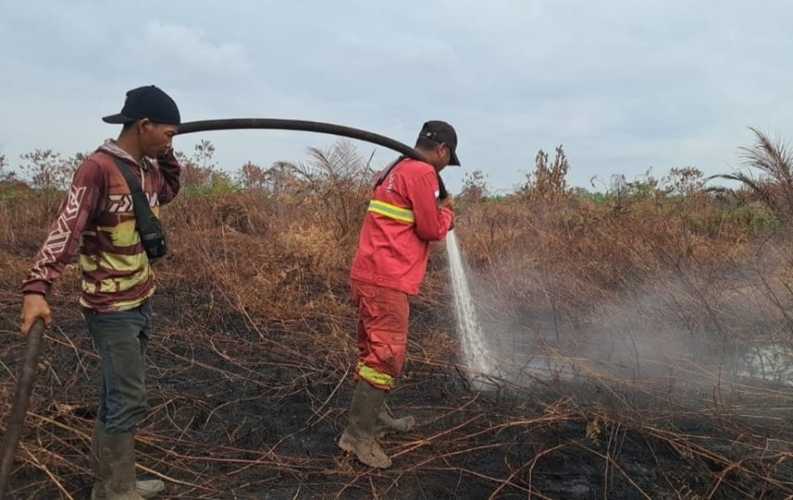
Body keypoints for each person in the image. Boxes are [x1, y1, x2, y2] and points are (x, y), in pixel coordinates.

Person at [19, 85, 183, 499]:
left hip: (140, 296)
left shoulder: (147, 168)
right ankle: (113, 490)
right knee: (128, 396)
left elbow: (169, 191)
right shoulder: (97, 168)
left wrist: (167, 154)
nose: (170, 141)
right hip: (111, 307)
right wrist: (38, 287)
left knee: (116, 392)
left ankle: (115, 481)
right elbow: (66, 228)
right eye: (167, 133)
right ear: (144, 125)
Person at [338, 120, 459, 468]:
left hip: (369, 274)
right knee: (386, 356)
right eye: (447, 162)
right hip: (387, 278)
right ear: (442, 152)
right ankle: (358, 437)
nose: (444, 168)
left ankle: (377, 417)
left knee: (371, 350)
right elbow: (430, 228)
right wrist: (448, 213)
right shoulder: (422, 172)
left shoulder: (395, 168)